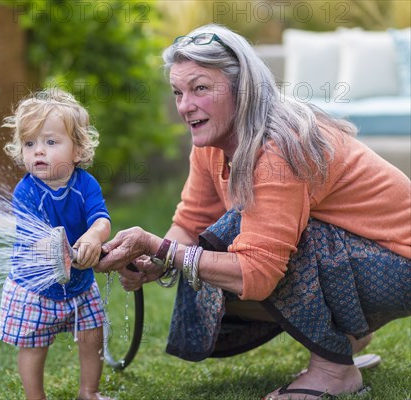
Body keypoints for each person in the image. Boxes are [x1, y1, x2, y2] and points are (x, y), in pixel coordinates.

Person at [96, 23, 410, 400]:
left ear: (242, 89)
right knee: (214, 241)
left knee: (247, 237)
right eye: (178, 92)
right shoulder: (212, 143)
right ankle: (345, 338)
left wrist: (162, 248)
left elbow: (257, 274)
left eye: (200, 88)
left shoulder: (279, 146)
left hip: (400, 263)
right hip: (370, 259)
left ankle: (333, 371)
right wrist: (154, 261)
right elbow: (191, 220)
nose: (184, 106)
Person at [0, 89, 113, 400]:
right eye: (30, 143)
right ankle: (36, 397)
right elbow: (33, 238)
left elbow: (101, 220)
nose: (39, 151)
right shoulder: (26, 191)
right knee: (34, 344)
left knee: (92, 335)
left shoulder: (85, 184)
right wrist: (61, 251)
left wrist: (92, 237)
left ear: (77, 150)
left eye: (50, 142)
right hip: (35, 287)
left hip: (80, 284)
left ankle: (88, 392)